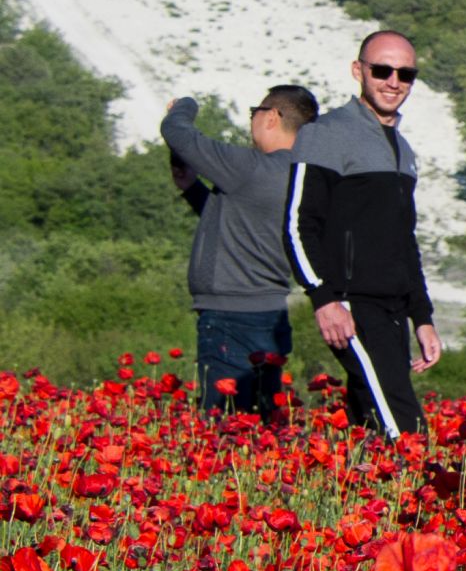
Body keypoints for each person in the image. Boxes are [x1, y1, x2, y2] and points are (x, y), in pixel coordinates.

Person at [285, 30, 442, 437]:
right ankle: (421, 498)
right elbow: (297, 224)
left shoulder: (402, 149)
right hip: (350, 303)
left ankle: (358, 498)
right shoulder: (326, 133)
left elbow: (404, 242)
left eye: (405, 74)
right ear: (359, 71)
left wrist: (421, 317)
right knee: (402, 426)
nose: (394, 82)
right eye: (383, 70)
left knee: (370, 425)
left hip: (392, 306)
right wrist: (324, 298)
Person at [161, 86, 318, 417]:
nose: (252, 122)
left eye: (254, 113)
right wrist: (192, 189)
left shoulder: (251, 167)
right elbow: (244, 223)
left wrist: (184, 104)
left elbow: (176, 132)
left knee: (226, 421)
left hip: (230, 315)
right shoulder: (300, 175)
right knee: (259, 417)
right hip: (267, 310)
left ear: (272, 117)